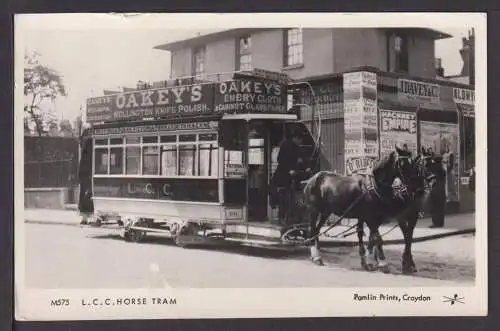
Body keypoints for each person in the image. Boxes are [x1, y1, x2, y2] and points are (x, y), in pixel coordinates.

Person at [270, 129, 309, 225]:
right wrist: (288, 170)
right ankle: (282, 218)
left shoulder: (298, 148)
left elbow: (303, 159)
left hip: (294, 178)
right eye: (300, 140)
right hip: (282, 177)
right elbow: (280, 160)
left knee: (294, 199)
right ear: (295, 138)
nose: (300, 142)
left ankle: (293, 218)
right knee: (284, 199)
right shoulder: (285, 145)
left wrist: (307, 167)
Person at [78, 124, 94, 225]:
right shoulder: (89, 141)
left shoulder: (84, 141)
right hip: (88, 172)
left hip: (84, 172)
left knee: (84, 194)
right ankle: (86, 217)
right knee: (88, 194)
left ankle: (85, 218)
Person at [429, 156, 447, 228]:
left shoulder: (435, 169)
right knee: (441, 208)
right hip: (442, 191)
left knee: (435, 207)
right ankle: (440, 223)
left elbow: (432, 179)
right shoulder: (443, 169)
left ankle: (435, 223)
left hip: (436, 191)